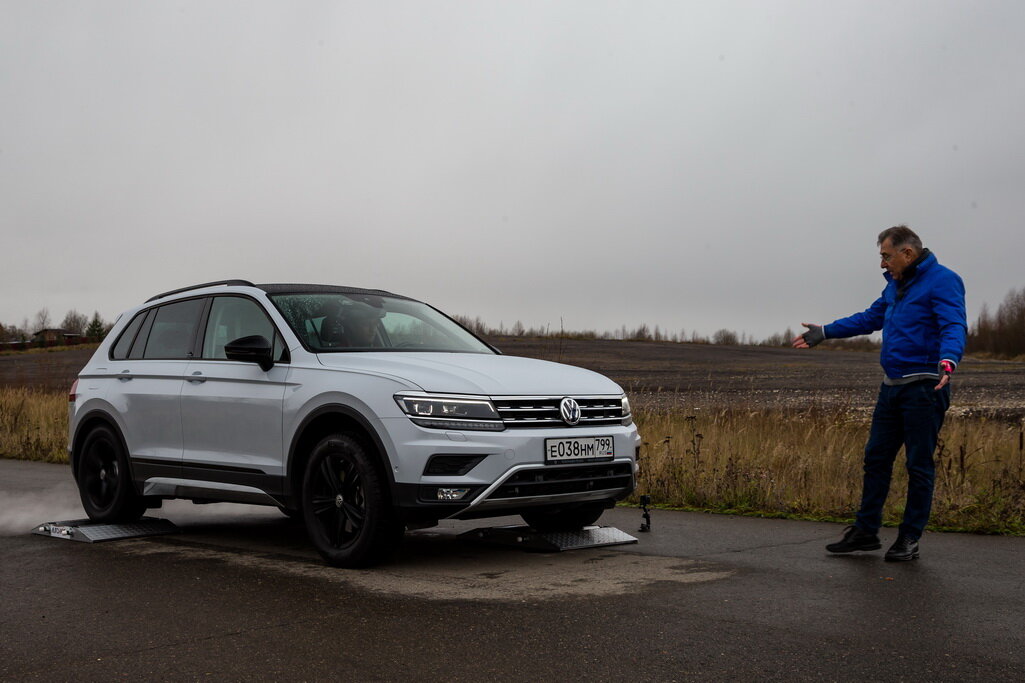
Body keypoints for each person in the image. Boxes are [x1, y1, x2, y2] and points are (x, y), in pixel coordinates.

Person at [792, 225, 966, 561]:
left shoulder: (943, 280)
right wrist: (825, 331)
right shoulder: (896, 287)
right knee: (876, 459)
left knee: (918, 465)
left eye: (886, 256)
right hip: (892, 388)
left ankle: (909, 538)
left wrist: (949, 359)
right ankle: (866, 532)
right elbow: (869, 319)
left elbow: (953, 324)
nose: (883, 264)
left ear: (908, 253)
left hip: (924, 388)